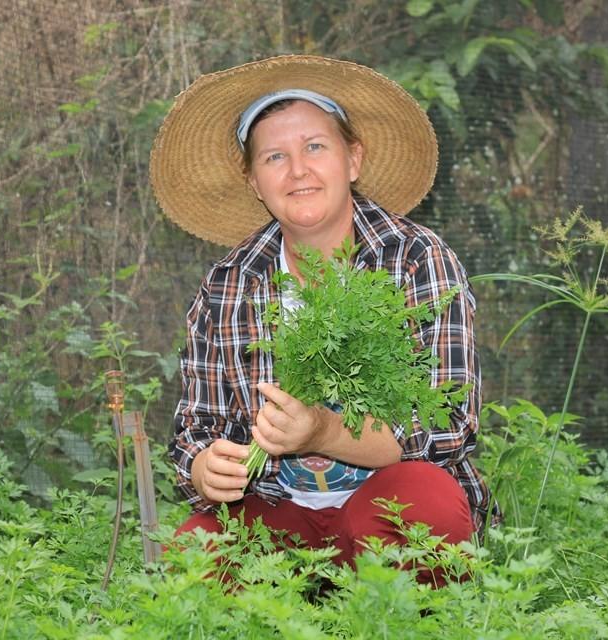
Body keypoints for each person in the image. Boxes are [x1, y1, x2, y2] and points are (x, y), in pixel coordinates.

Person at [149, 55, 496, 576]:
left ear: (352, 160)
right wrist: (204, 467)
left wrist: (321, 432)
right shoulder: (230, 283)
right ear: (253, 182)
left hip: (386, 501)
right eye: (273, 157)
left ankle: (389, 614)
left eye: (315, 146)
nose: (298, 170)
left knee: (427, 506)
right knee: (196, 552)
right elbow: (196, 428)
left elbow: (445, 427)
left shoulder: (416, 261)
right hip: (278, 515)